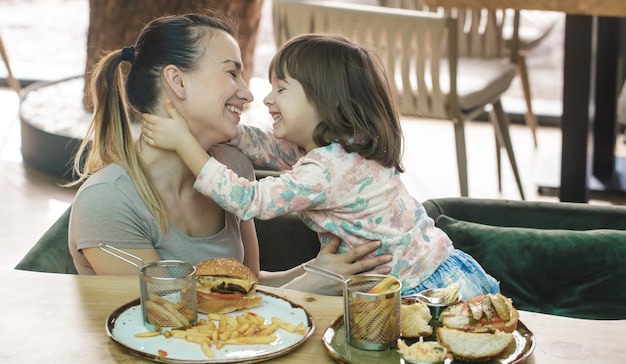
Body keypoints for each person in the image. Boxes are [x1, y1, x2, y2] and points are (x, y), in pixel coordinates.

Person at [141, 33, 500, 299]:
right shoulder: (337, 151)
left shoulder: (327, 171)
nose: (266, 99)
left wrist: (184, 143)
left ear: (322, 101)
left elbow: (249, 200)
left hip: (427, 290)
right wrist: (220, 128)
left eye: (281, 89)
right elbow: (265, 147)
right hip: (421, 280)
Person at [67, 13, 391, 294]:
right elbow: (172, 314)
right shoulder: (107, 202)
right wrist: (307, 286)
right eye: (232, 72)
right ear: (177, 81)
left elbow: (248, 286)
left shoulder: (232, 166)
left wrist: (322, 272)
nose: (248, 93)